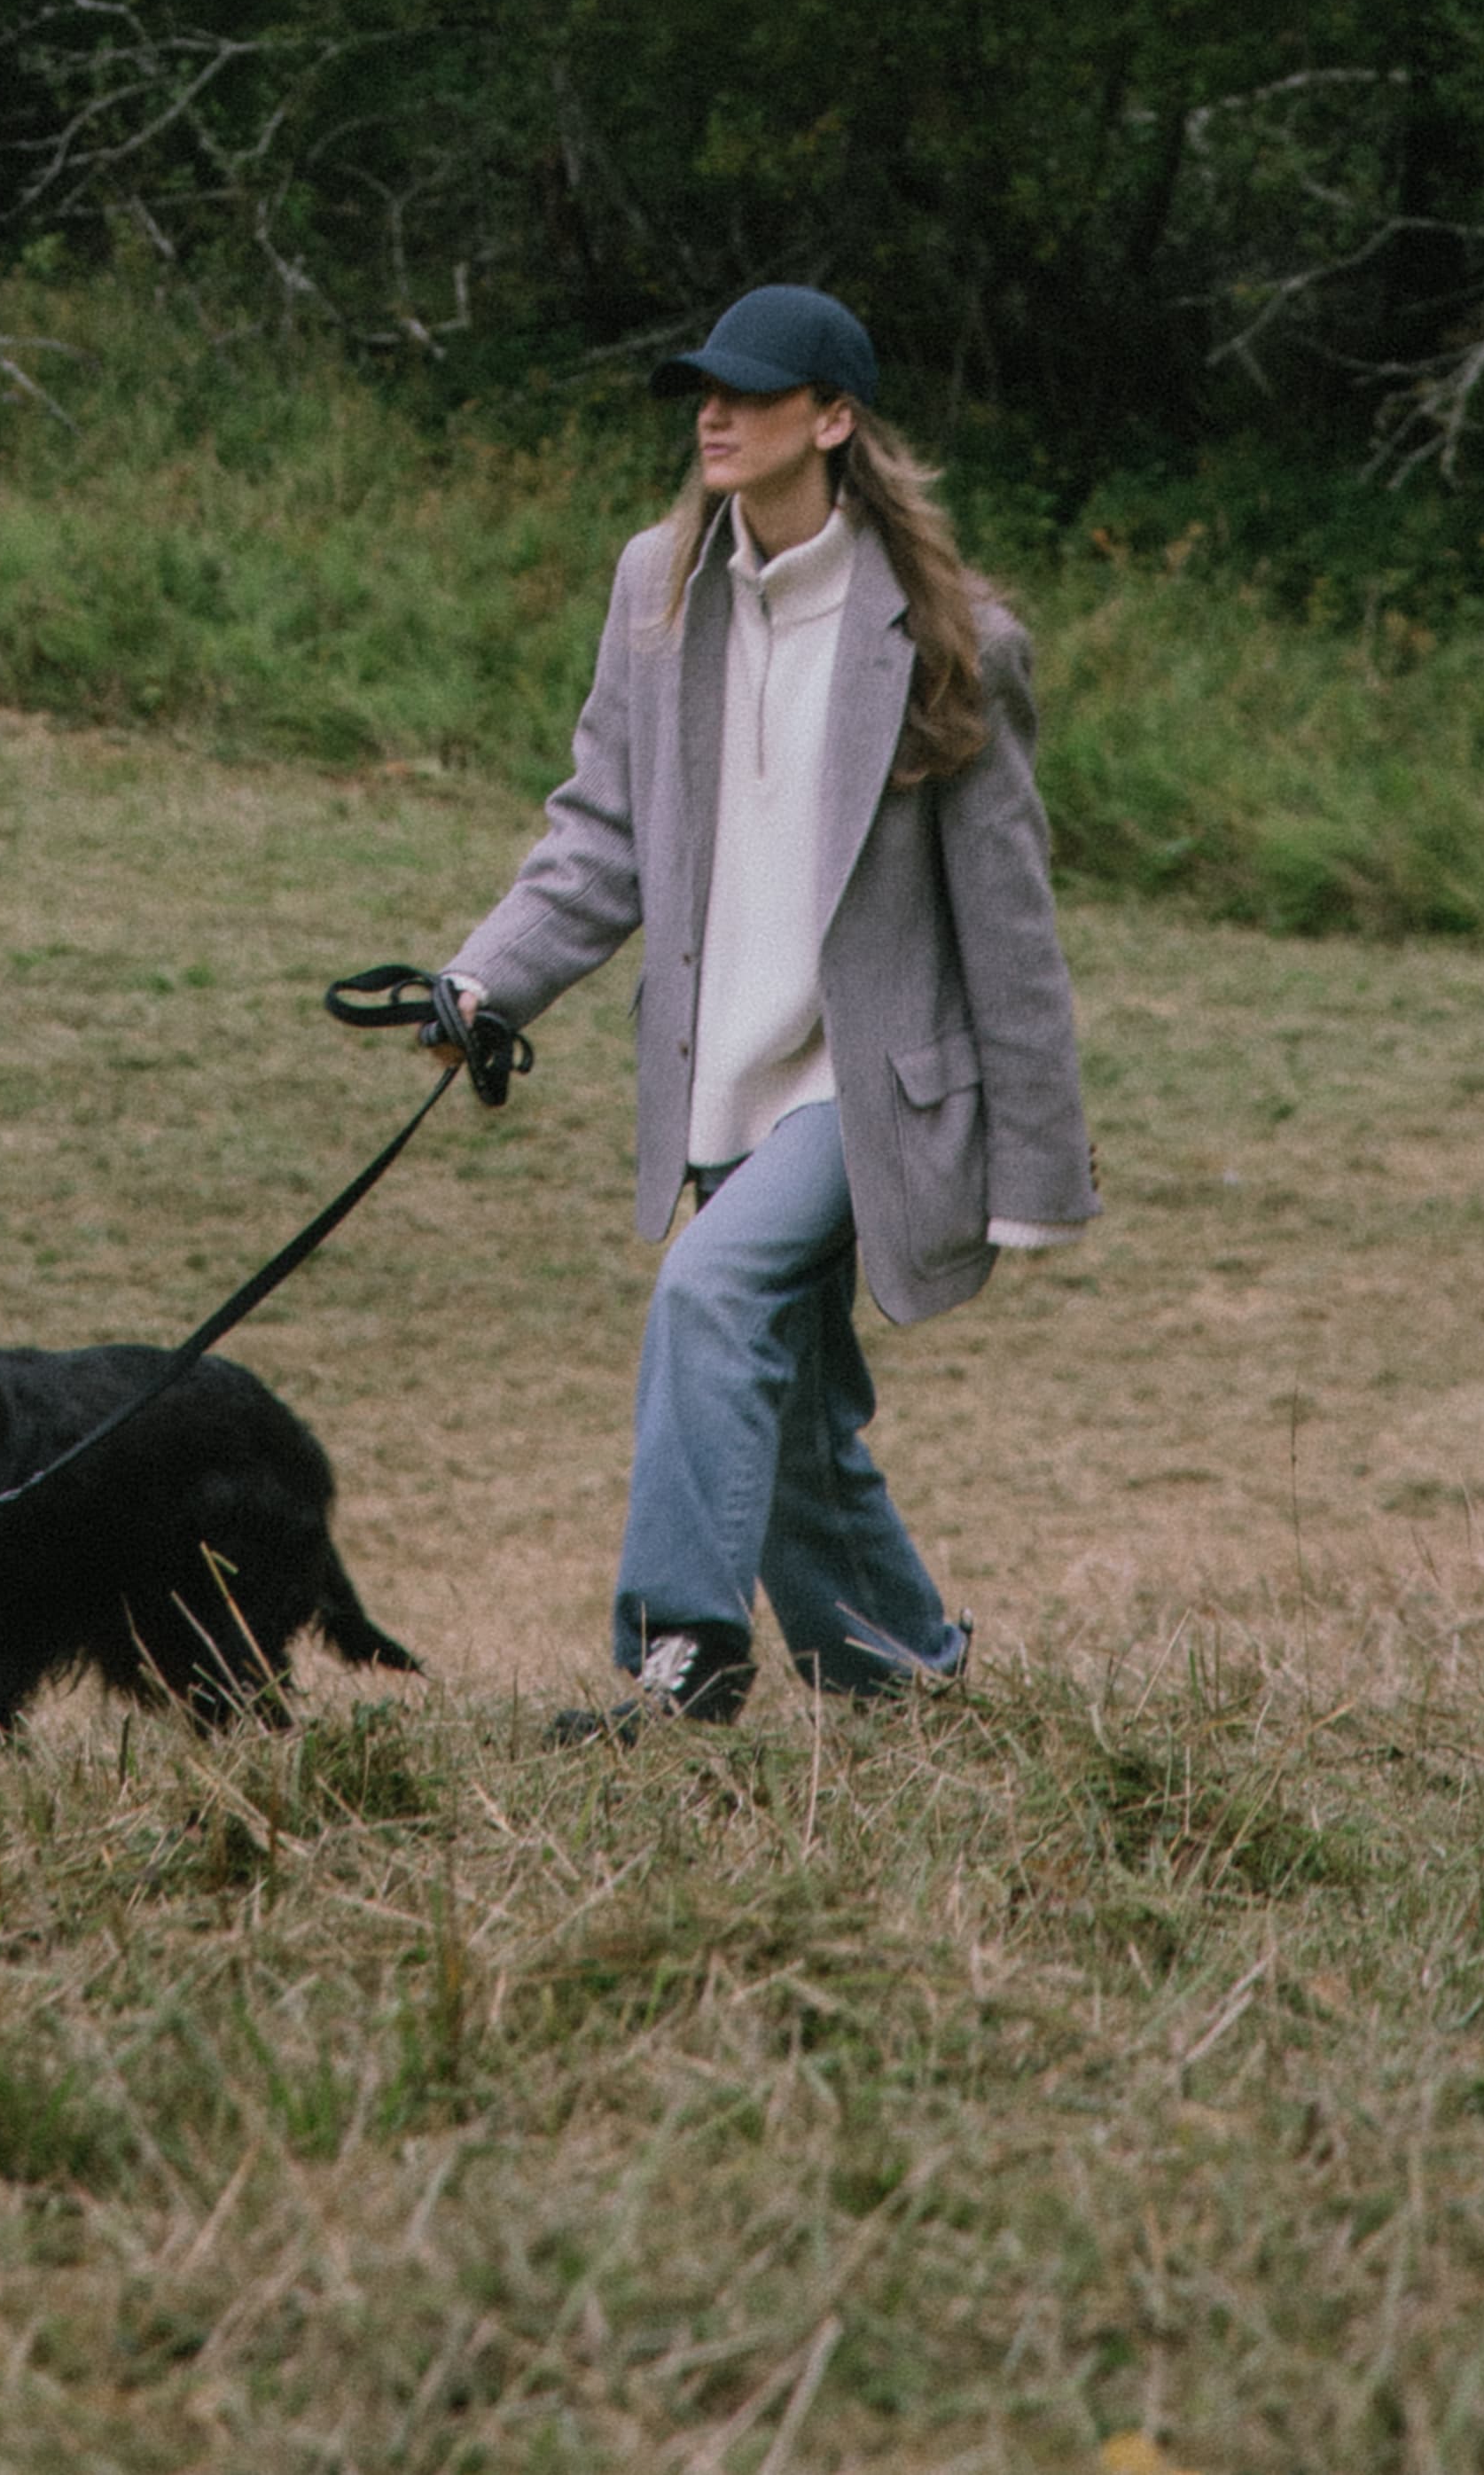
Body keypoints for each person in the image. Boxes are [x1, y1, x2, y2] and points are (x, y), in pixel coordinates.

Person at [434, 283, 1097, 1731]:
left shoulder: (952, 639)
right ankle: (901, 1673)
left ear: (836, 418)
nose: (710, 415)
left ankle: (682, 1653)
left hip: (863, 1084)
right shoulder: (655, 589)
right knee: (788, 1406)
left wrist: (1037, 1169)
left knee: (708, 1293)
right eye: (700, 389)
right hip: (709, 1069)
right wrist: (485, 975)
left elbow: (1009, 923)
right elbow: (600, 829)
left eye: (745, 391)